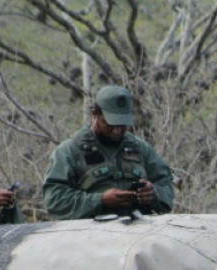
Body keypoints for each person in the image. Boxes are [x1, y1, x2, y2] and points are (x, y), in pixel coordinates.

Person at [43, 85, 175, 220]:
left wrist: (153, 194)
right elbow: (53, 200)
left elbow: (167, 185)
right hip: (87, 235)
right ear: (95, 115)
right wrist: (100, 200)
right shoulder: (69, 151)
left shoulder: (141, 148)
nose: (117, 131)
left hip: (138, 232)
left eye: (122, 125)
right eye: (110, 124)